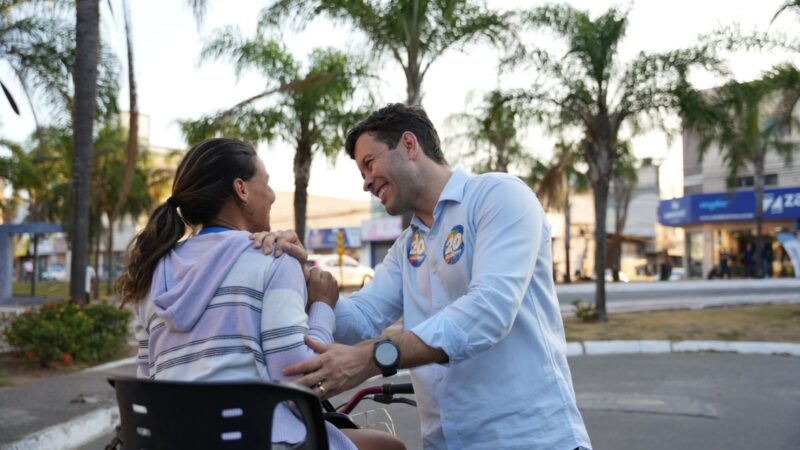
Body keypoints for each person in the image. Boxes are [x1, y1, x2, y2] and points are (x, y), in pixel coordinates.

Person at [261, 104, 592, 449]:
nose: (365, 183)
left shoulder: (498, 196)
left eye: (369, 164)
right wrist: (297, 274)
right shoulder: (407, 247)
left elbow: (489, 311)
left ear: (409, 144)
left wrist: (372, 359)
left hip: (530, 439)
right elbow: (360, 317)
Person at [115, 138, 403, 450]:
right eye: (265, 182)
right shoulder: (273, 259)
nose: (272, 195)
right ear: (241, 189)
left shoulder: (152, 273)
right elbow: (301, 384)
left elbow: (149, 386)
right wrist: (322, 305)